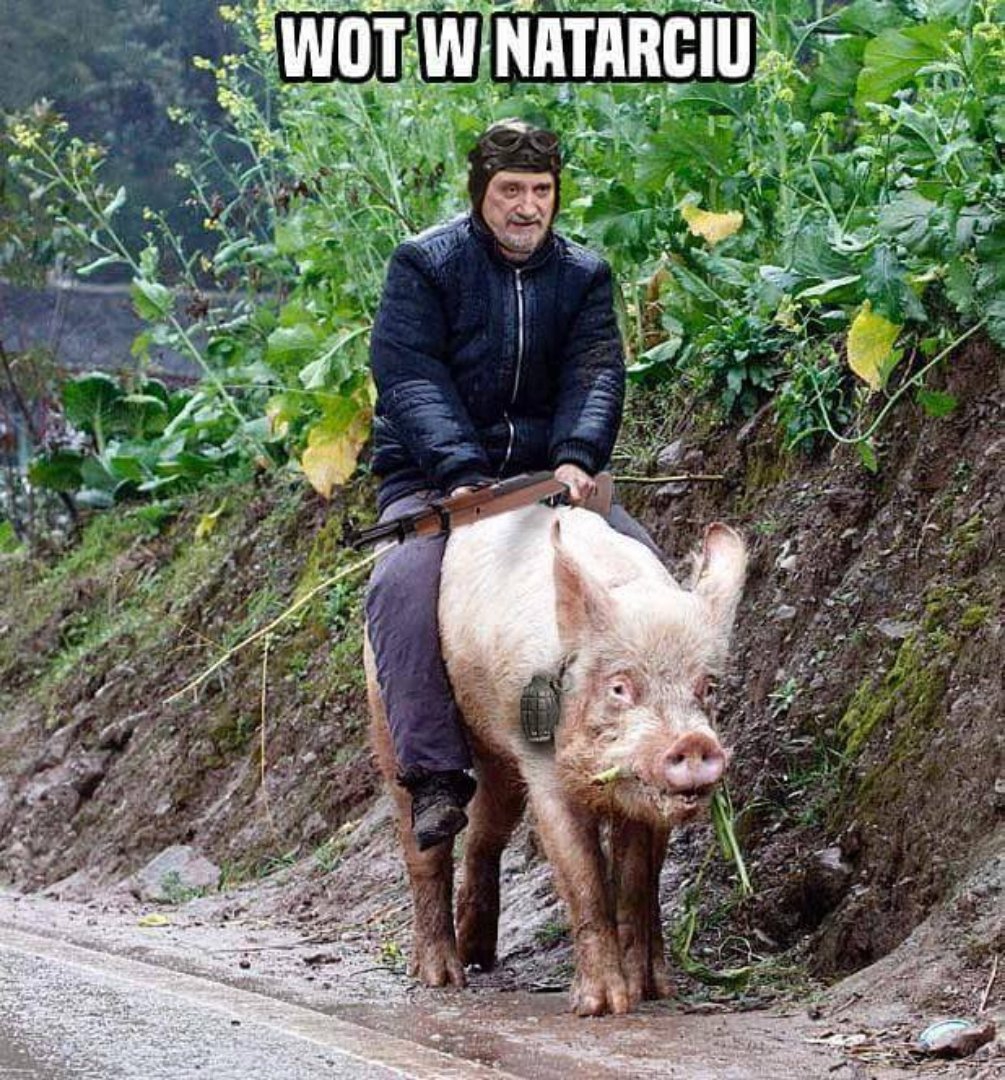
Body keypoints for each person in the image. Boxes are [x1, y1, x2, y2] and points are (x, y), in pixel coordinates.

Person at [365, 119, 661, 850]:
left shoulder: (583, 276)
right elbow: (409, 376)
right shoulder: (424, 265)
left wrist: (577, 454)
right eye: (510, 191)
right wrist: (460, 473)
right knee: (401, 586)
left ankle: (645, 739)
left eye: (541, 190)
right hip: (435, 481)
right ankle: (435, 774)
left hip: (547, 480)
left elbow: (595, 372)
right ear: (480, 192)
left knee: (646, 572)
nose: (526, 207)